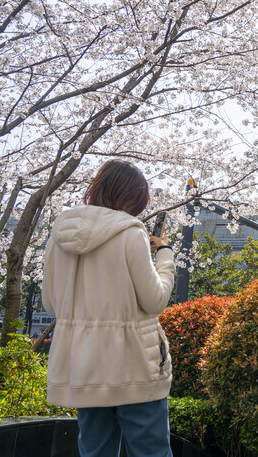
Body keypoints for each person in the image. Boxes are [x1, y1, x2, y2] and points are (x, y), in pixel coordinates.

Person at [42, 160, 175, 457]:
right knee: (151, 451)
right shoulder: (131, 233)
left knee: (95, 451)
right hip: (134, 366)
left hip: (85, 366)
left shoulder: (58, 238)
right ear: (132, 197)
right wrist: (164, 255)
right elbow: (155, 300)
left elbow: (51, 303)